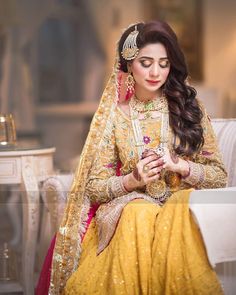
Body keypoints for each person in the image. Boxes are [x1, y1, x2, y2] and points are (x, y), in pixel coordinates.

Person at [41, 20, 227, 295]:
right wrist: (131, 180)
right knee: (140, 213)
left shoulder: (189, 108)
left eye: (164, 63)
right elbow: (95, 186)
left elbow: (219, 177)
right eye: (145, 62)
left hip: (178, 204)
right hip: (130, 208)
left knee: (178, 209)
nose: (155, 72)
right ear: (128, 64)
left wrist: (182, 166)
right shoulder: (115, 117)